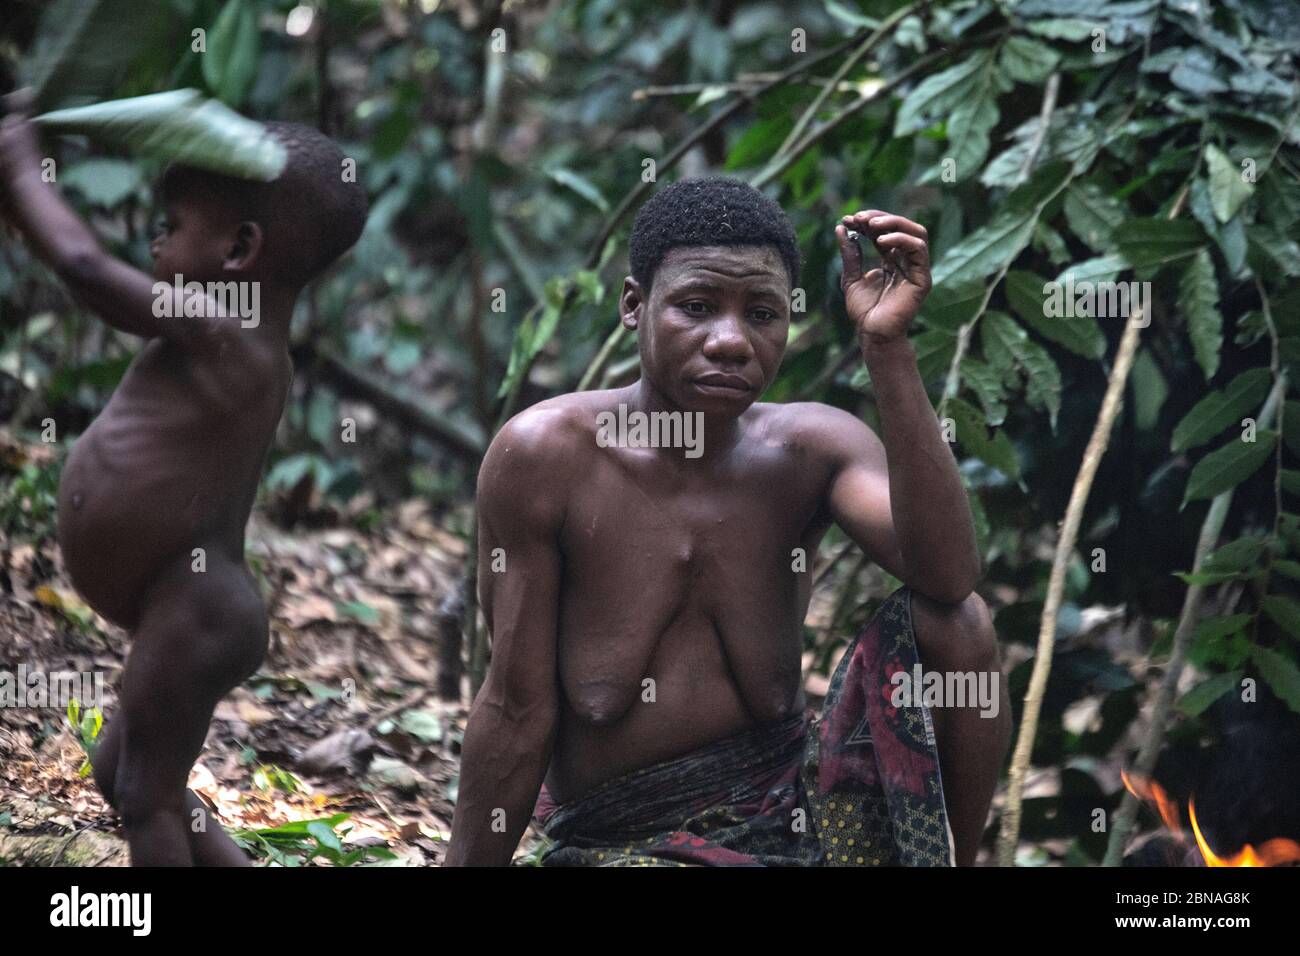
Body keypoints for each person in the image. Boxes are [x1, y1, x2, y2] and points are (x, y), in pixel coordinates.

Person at [446, 176, 1011, 866]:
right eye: (697, 307)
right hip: (627, 841)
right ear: (634, 305)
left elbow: (949, 576)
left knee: (960, 625)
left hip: (802, 816)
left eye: (762, 315)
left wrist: (887, 349)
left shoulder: (811, 449)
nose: (730, 342)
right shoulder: (548, 456)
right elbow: (514, 709)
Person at [0, 95, 367, 865]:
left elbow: (83, 268)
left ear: (239, 250)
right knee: (127, 777)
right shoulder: (232, 336)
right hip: (191, 604)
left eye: (173, 222)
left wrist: (20, 165)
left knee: (146, 798)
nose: (156, 235)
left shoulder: (223, 331)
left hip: (196, 608)